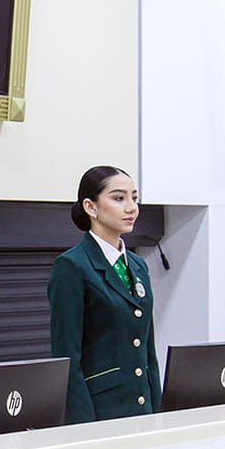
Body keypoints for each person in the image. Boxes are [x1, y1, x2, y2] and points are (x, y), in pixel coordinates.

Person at [48, 165, 161, 423]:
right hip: (101, 414)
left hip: (142, 409)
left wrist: (157, 414)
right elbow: (67, 358)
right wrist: (83, 428)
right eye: (119, 198)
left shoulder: (138, 265)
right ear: (91, 207)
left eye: (135, 198)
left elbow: (148, 350)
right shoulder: (72, 266)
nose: (132, 208)